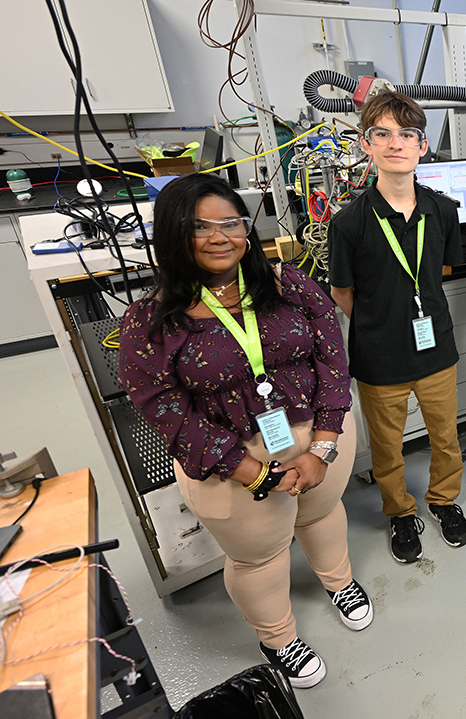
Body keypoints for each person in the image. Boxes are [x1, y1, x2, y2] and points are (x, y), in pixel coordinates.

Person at [119, 173, 371, 689]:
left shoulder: (288, 284)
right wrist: (253, 472)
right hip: (228, 462)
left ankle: (339, 583)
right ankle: (278, 638)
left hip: (315, 438)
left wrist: (322, 447)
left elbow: (331, 356)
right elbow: (163, 407)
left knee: (321, 514)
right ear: (172, 236)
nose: (220, 236)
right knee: (260, 557)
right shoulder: (149, 320)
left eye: (231, 222)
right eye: (200, 227)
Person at [328, 91, 466, 564]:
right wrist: (382, 322)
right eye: (383, 134)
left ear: (422, 146)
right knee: (388, 448)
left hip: (436, 351)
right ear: (365, 145)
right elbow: (342, 294)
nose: (396, 143)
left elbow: (444, 271)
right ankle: (399, 511)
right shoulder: (348, 223)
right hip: (379, 356)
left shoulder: (443, 211)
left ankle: (443, 501)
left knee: (445, 437)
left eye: (406, 134)